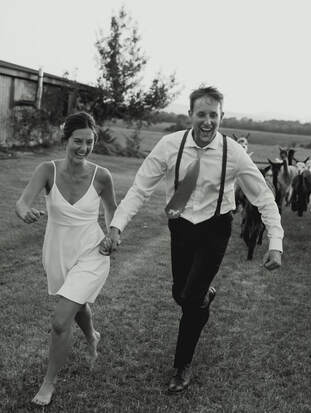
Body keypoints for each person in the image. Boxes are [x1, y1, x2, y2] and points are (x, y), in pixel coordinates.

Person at [101, 86, 283, 393]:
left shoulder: (234, 152)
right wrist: (117, 225)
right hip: (181, 227)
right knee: (182, 294)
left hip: (215, 228)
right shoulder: (169, 145)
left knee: (190, 299)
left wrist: (275, 242)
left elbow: (263, 196)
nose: (208, 121)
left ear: (221, 116)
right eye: (202, 114)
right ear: (190, 115)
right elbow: (140, 188)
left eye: (214, 115)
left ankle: (182, 366)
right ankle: (203, 296)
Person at [15, 112, 117, 406]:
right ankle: (92, 336)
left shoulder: (102, 176)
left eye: (90, 142)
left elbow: (112, 210)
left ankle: (49, 383)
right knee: (77, 302)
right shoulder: (47, 170)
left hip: (92, 252)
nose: (83, 148)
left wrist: (113, 234)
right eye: (78, 141)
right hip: (58, 251)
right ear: (66, 140)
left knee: (61, 321)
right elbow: (22, 202)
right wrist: (24, 212)